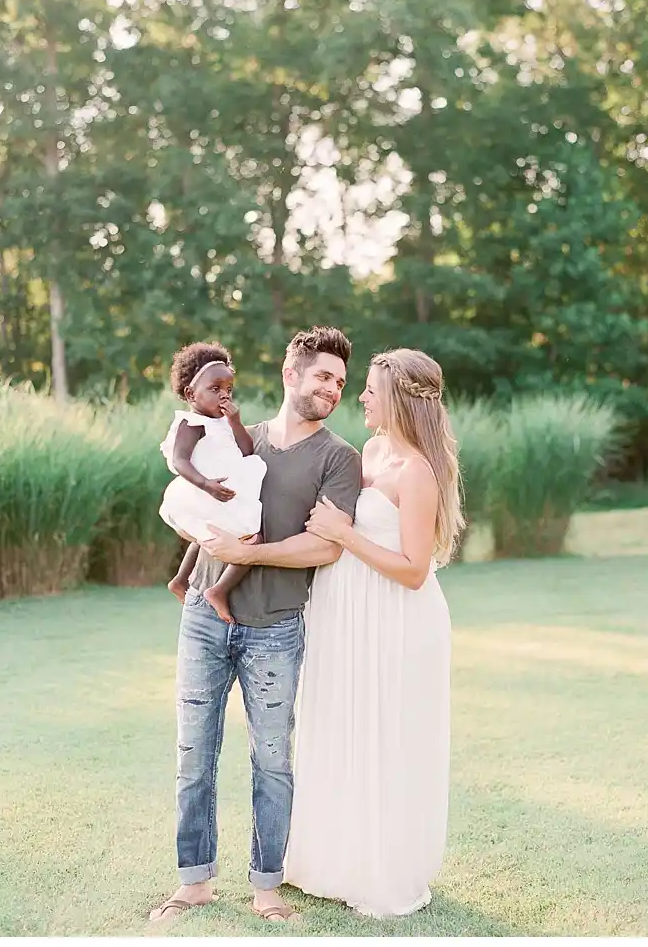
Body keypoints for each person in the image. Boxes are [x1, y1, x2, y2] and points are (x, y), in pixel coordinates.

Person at [149, 326, 362, 925]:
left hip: (276, 628)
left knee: (272, 762)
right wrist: (191, 524)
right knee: (194, 754)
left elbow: (325, 548)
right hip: (203, 618)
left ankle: (267, 888)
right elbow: (186, 492)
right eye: (323, 377)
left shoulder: (340, 459)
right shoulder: (235, 437)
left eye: (341, 383)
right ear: (291, 374)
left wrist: (249, 554)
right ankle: (193, 882)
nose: (333, 390)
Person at [283, 348, 465, 919]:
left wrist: (344, 534)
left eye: (370, 389)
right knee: (344, 729)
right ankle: (333, 862)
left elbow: (413, 570)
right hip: (348, 615)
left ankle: (383, 873)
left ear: (399, 399)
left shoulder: (418, 472)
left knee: (386, 739)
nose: (360, 397)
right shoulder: (370, 452)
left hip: (397, 620)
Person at [159, 342, 266, 624]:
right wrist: (206, 485)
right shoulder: (191, 423)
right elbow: (180, 461)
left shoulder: (223, 422)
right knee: (252, 536)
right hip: (205, 491)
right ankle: (218, 590)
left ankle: (180, 580)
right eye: (215, 389)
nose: (224, 395)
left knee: (210, 534)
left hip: (222, 492)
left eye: (229, 389)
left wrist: (236, 421)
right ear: (190, 394)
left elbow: (247, 451)